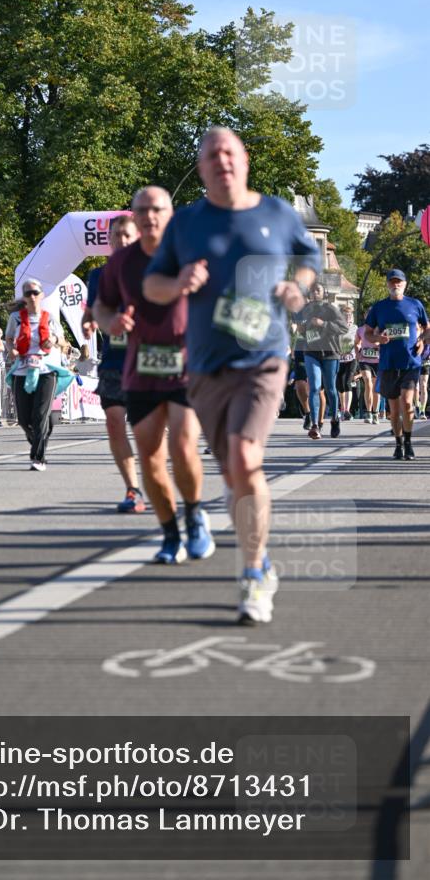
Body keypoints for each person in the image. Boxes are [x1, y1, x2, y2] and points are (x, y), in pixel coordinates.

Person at [144, 127, 321, 624]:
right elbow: (153, 284)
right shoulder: (186, 223)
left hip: (263, 356)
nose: (221, 161)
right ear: (201, 167)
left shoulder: (276, 212)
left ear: (244, 160)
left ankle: (254, 571)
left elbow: (309, 257)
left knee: (245, 458)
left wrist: (297, 285)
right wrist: (179, 282)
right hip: (206, 364)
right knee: (233, 473)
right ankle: (251, 529)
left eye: (229, 152)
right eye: (211, 155)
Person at [95, 186, 214, 564]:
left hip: (187, 365)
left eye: (157, 209)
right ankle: (170, 534)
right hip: (141, 369)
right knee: (149, 458)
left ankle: (194, 514)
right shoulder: (121, 263)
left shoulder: (191, 252)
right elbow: (101, 307)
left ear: (170, 214)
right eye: (142, 210)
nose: (149, 216)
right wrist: (111, 322)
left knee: (182, 445)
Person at [83, 215, 146, 513]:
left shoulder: (151, 271)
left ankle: (157, 480)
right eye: (116, 235)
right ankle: (133, 489)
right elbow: (91, 311)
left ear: (137, 238)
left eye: (127, 235)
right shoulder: (98, 276)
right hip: (113, 362)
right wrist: (88, 324)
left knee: (147, 433)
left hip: (147, 364)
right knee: (113, 422)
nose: (121, 240)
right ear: (108, 240)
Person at [364, 269, 429, 460]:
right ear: (387, 284)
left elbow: (427, 328)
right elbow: (367, 333)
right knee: (394, 411)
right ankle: (398, 444)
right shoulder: (379, 307)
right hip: (388, 363)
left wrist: (422, 340)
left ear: (405, 284)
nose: (396, 285)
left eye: (399, 281)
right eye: (392, 282)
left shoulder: (415, 304)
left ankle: (408, 443)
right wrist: (378, 338)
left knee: (407, 403)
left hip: (410, 362)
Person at [5, 279, 65, 471]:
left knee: (39, 416)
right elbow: (8, 338)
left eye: (35, 293)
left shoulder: (49, 317)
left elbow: (62, 341)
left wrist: (53, 339)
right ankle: (42, 433)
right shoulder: (15, 318)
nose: (32, 296)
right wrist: (11, 350)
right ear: (24, 297)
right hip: (22, 370)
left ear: (41, 295)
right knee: (24, 419)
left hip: (46, 370)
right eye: (28, 293)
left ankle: (38, 458)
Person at [296, 282, 348, 440]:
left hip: (330, 353)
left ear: (324, 293)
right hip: (311, 352)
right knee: (314, 387)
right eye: (312, 290)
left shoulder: (330, 308)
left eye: (317, 290)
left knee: (331, 389)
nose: (314, 293)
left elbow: (344, 328)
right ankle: (315, 425)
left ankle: (335, 419)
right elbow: (304, 330)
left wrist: (323, 324)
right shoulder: (304, 310)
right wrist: (302, 330)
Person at [355, 310, 380, 423]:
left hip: (378, 361)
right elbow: (356, 343)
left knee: (376, 387)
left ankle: (375, 413)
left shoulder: (380, 328)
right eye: (367, 315)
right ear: (365, 316)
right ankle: (368, 412)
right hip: (364, 360)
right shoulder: (360, 330)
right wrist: (357, 353)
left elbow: (386, 341)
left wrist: (379, 343)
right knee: (368, 382)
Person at [336, 305, 358, 420]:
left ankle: (347, 411)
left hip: (352, 358)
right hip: (339, 359)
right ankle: (342, 408)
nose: (348, 317)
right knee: (340, 384)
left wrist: (355, 347)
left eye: (350, 315)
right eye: (346, 315)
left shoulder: (355, 328)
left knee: (348, 382)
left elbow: (358, 342)